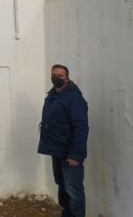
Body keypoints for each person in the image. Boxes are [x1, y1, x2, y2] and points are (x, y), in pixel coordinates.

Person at [38, 64, 88, 217]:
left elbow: (80, 127)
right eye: (54, 75)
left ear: (67, 78)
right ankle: (66, 214)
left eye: (60, 75)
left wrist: (75, 154)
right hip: (57, 150)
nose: (56, 78)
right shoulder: (52, 96)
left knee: (73, 189)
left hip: (70, 152)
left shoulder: (74, 98)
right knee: (62, 185)